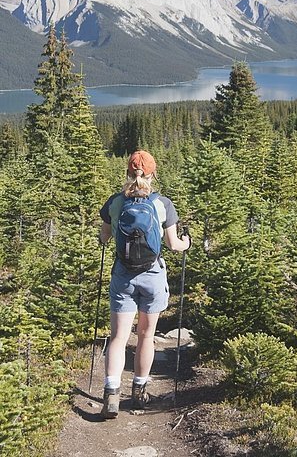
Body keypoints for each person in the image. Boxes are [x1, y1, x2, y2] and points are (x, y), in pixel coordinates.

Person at [98, 150, 191, 419]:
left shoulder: (114, 203)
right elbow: (174, 245)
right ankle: (139, 392)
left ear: (128, 171)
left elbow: (104, 238)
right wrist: (188, 243)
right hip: (152, 275)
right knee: (146, 337)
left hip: (123, 276)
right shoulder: (162, 203)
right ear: (153, 173)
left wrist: (108, 235)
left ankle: (112, 393)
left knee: (118, 337)